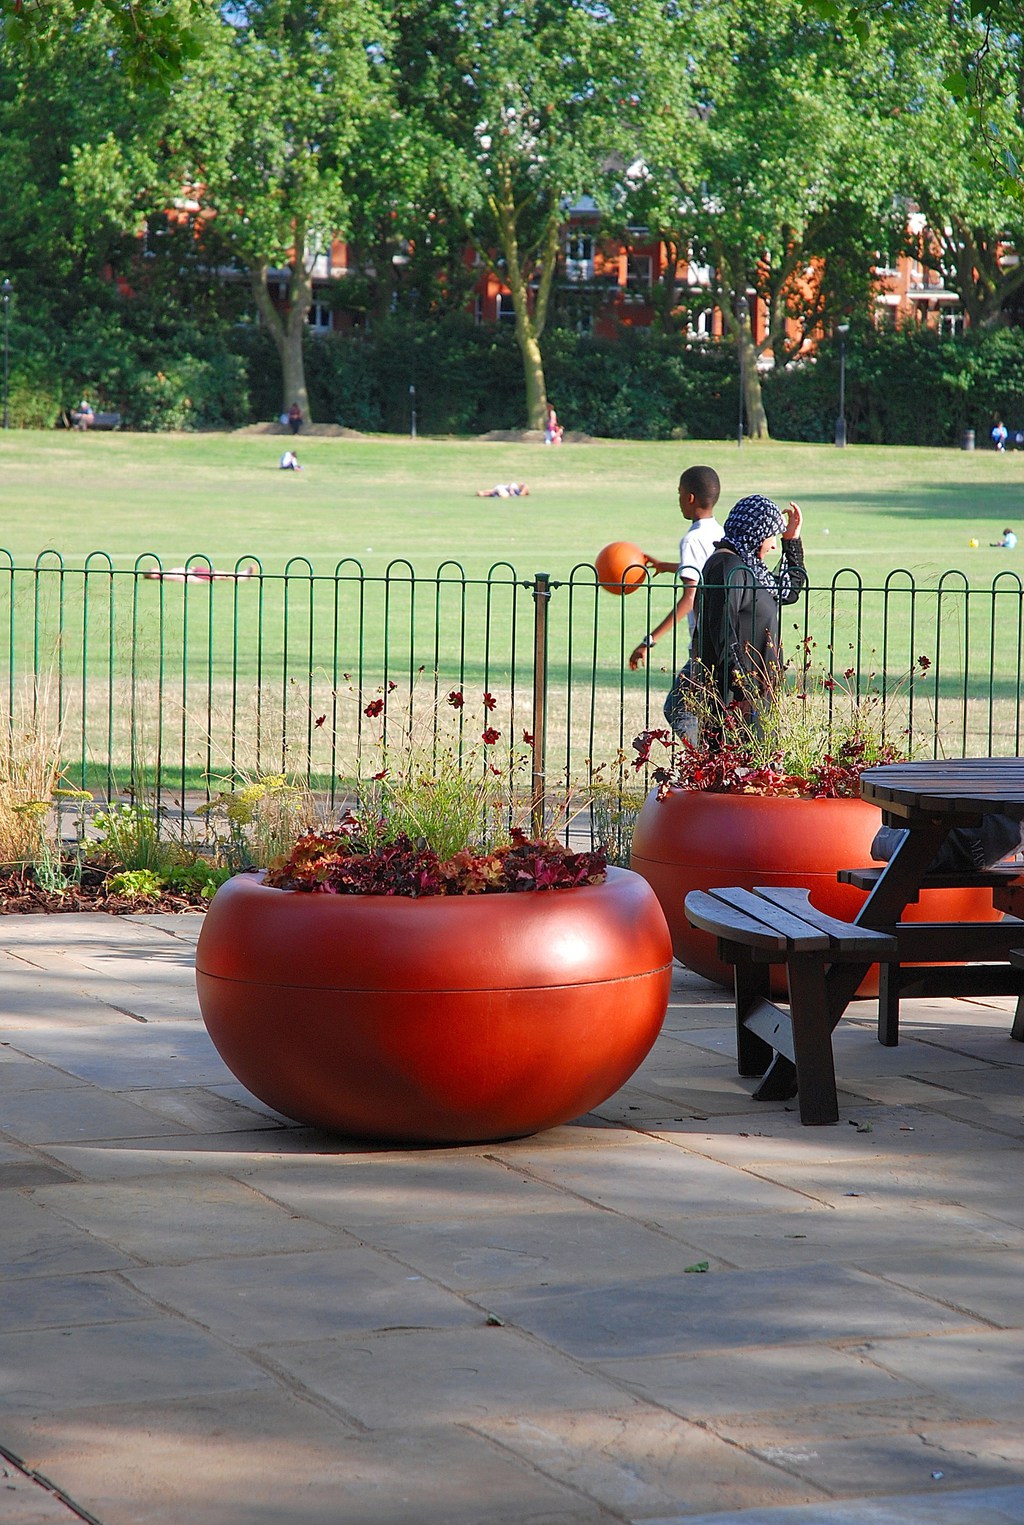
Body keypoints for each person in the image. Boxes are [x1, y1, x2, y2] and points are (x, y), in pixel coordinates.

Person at [691, 493, 807, 728]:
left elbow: (788, 591)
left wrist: (791, 539)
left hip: (755, 698)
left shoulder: (749, 569)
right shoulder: (727, 568)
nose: (774, 545)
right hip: (736, 701)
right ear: (755, 533)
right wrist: (745, 688)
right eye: (771, 535)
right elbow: (724, 634)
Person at [627, 465, 724, 741]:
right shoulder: (719, 531)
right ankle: (712, 759)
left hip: (703, 645)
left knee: (678, 708)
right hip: (721, 640)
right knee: (713, 713)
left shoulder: (691, 539)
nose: (678, 499)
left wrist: (649, 640)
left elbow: (690, 596)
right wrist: (667, 566)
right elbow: (704, 570)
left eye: (679, 493)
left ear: (690, 498)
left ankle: (702, 761)